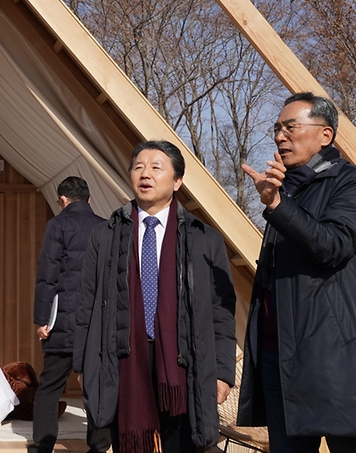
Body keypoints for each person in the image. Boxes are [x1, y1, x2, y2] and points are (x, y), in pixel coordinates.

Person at [238, 92, 356, 452]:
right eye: (277, 128)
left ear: (325, 135)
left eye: (290, 127)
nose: (280, 136)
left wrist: (278, 205)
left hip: (339, 361)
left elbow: (331, 246)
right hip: (281, 357)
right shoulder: (288, 191)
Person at [73, 141, 236, 453]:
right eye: (138, 167)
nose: (144, 174)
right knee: (129, 443)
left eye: (155, 168)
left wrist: (224, 373)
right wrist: (83, 365)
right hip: (123, 357)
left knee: (183, 444)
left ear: (177, 181)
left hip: (183, 362)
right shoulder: (105, 234)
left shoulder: (204, 238)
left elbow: (221, 312)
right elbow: (86, 304)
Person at [29, 176, 110, 453]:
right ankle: (99, 447)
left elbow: (47, 276)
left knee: (50, 387)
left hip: (64, 322)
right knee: (96, 387)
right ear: (88, 198)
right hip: (97, 323)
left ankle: (43, 446)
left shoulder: (58, 225)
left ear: (63, 199)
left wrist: (41, 319)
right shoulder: (105, 226)